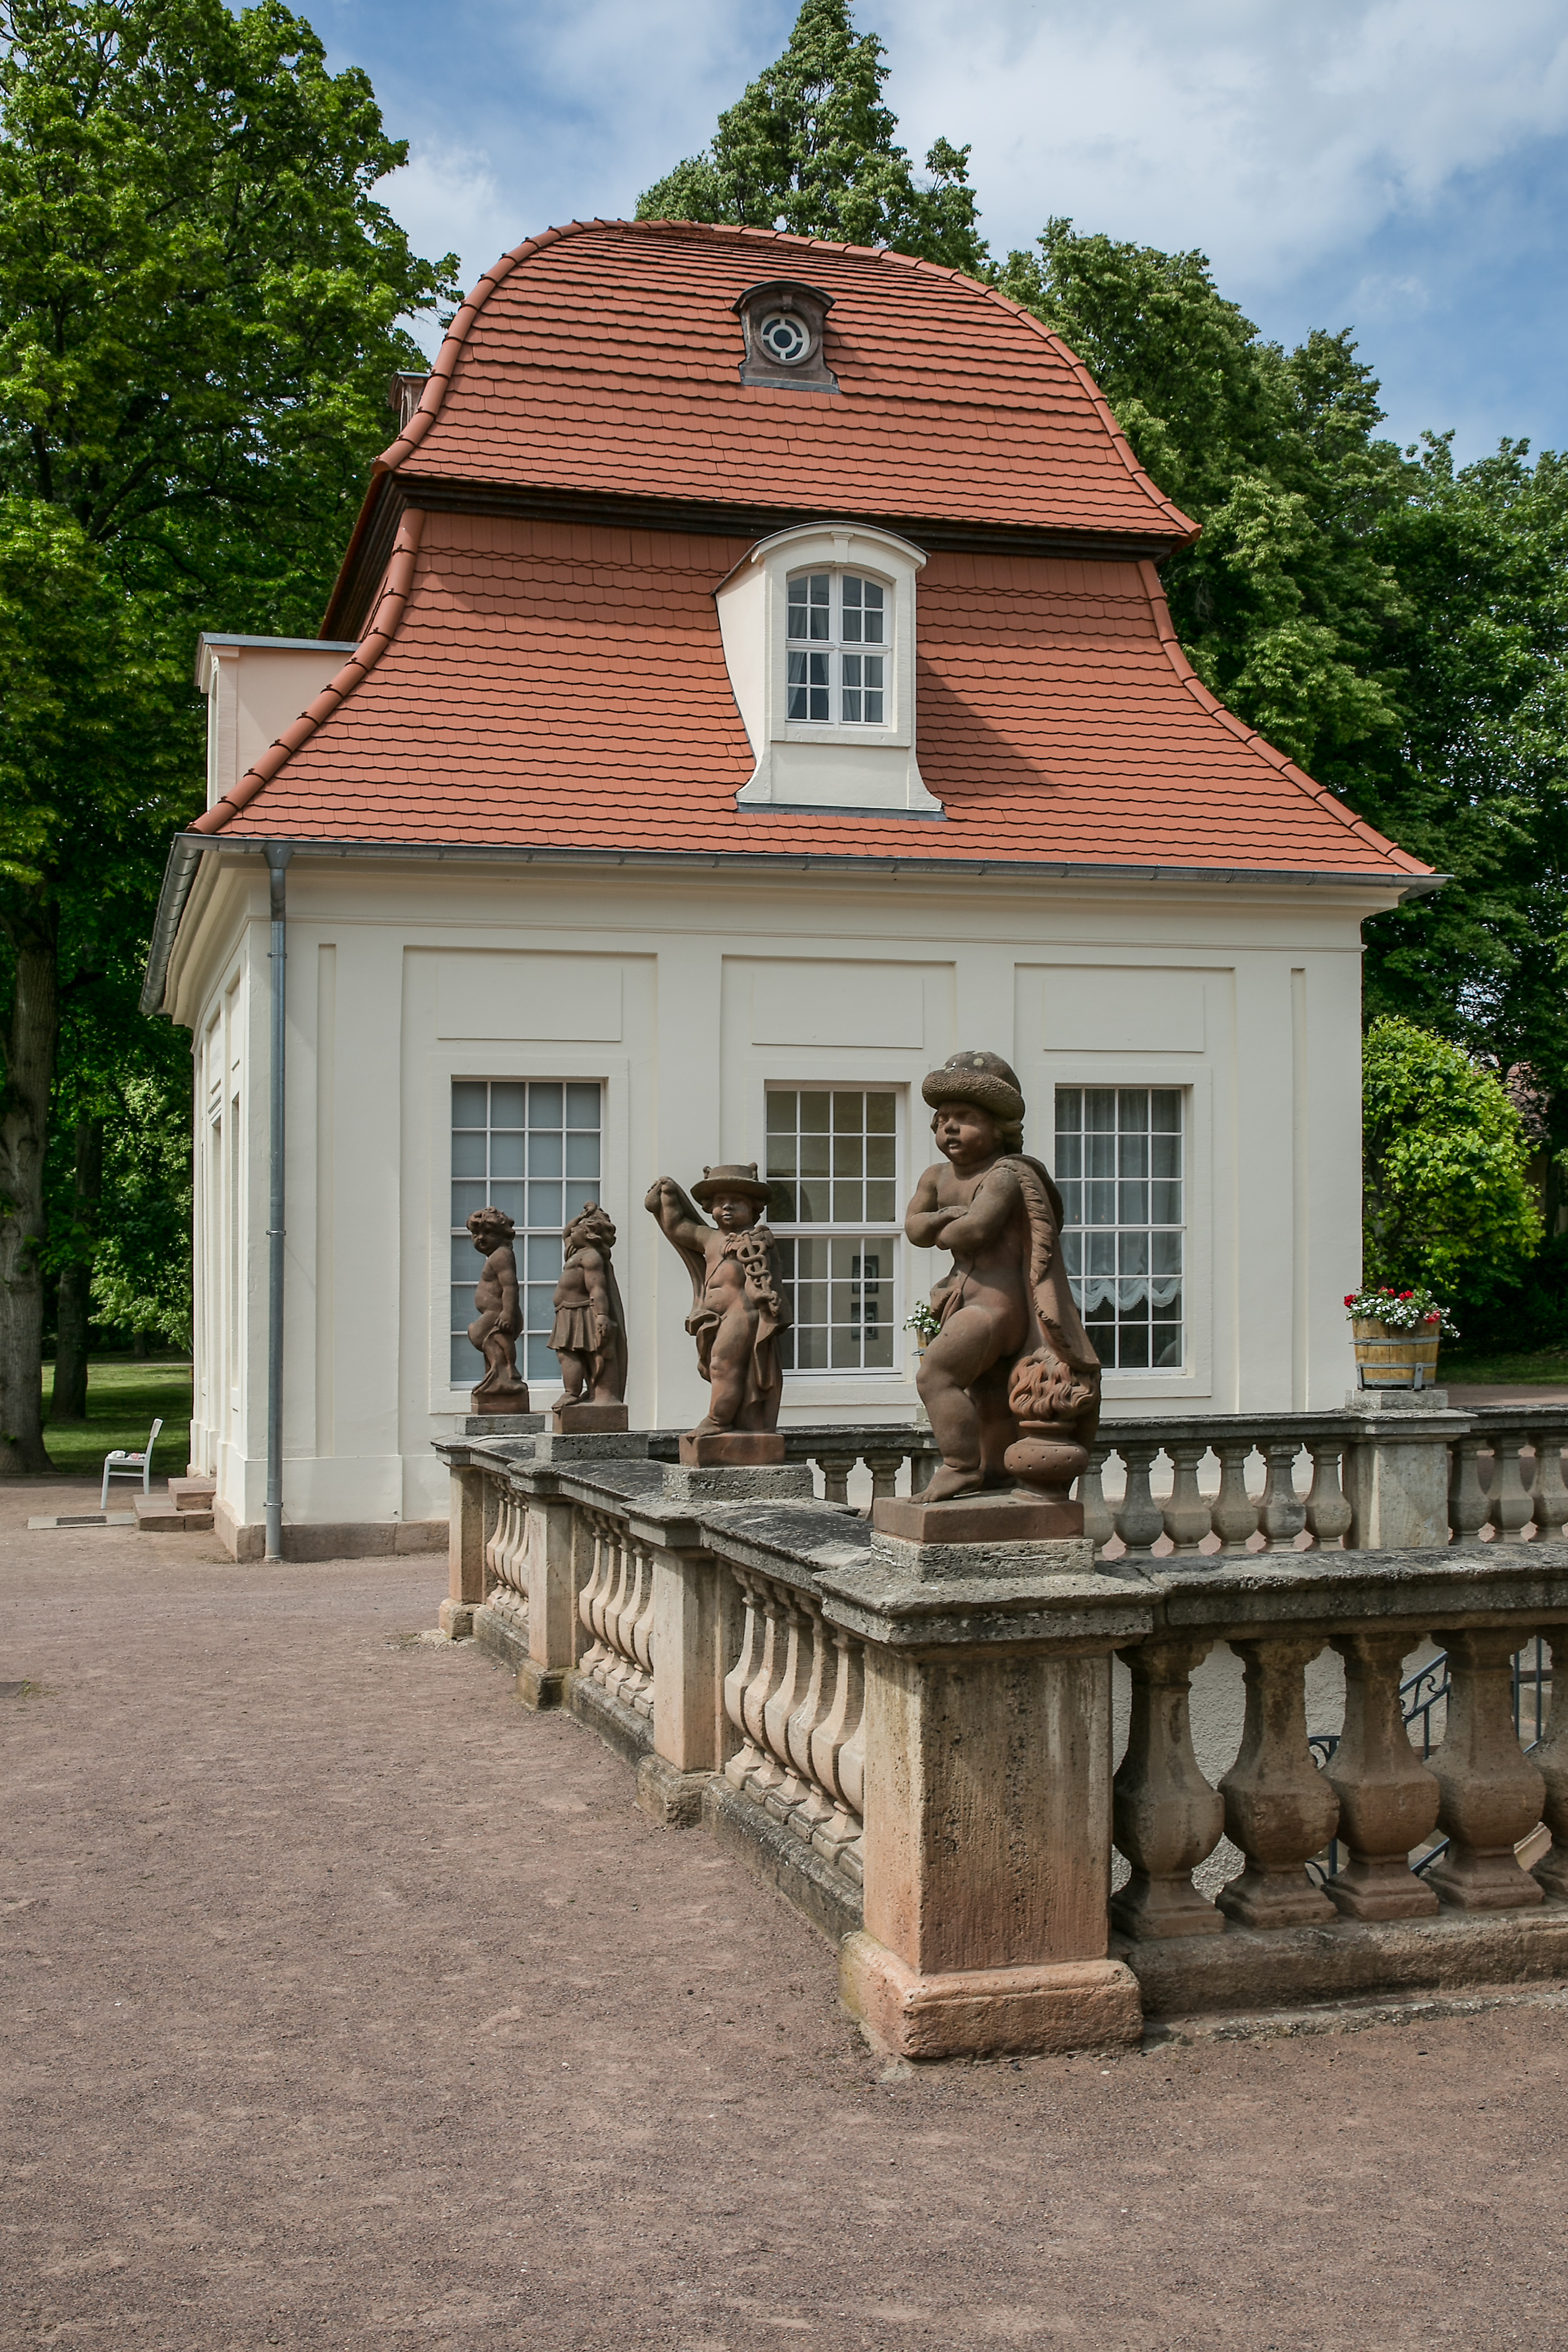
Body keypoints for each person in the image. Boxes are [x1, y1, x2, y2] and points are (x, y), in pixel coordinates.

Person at [905, 1052, 1099, 1503]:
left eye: (964, 1117)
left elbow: (973, 1231)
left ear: (999, 1128)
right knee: (989, 1395)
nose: (948, 1128)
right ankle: (992, 1471)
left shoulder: (1007, 1175)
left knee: (935, 1375)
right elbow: (914, 1230)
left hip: (998, 1305)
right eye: (942, 1119)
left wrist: (945, 1221)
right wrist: (948, 1217)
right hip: (963, 1298)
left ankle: (958, 1467)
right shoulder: (935, 1176)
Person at [644, 1164, 789, 1434]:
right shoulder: (708, 1237)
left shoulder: (757, 1242)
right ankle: (727, 1418)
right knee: (716, 1368)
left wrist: (764, 1296)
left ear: (754, 1208)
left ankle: (718, 1421)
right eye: (721, 1202)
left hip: (741, 1313)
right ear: (710, 1207)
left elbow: (760, 1281)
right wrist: (667, 1194)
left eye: (737, 1202)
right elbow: (676, 1226)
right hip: (711, 1318)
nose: (727, 1207)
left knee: (724, 1366)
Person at [549, 1203, 627, 1403]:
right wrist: (582, 1216)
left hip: (581, 1312)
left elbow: (597, 1289)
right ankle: (577, 1391)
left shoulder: (591, 1256)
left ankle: (573, 1393)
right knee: (568, 1354)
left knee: (571, 1353)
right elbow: (566, 1233)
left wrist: (602, 1315)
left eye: (578, 1228)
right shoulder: (576, 1252)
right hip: (567, 1311)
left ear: (588, 1235)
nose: (572, 1230)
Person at [465, 1206, 527, 1409]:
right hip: (495, 1314)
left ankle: (505, 1377)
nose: (480, 1238)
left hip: (499, 1314)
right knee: (489, 1341)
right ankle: (499, 1376)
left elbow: (510, 1286)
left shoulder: (502, 1254)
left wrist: (508, 1312)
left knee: (478, 1335)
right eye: (476, 1234)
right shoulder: (496, 1255)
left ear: (503, 1235)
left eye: (488, 1233)